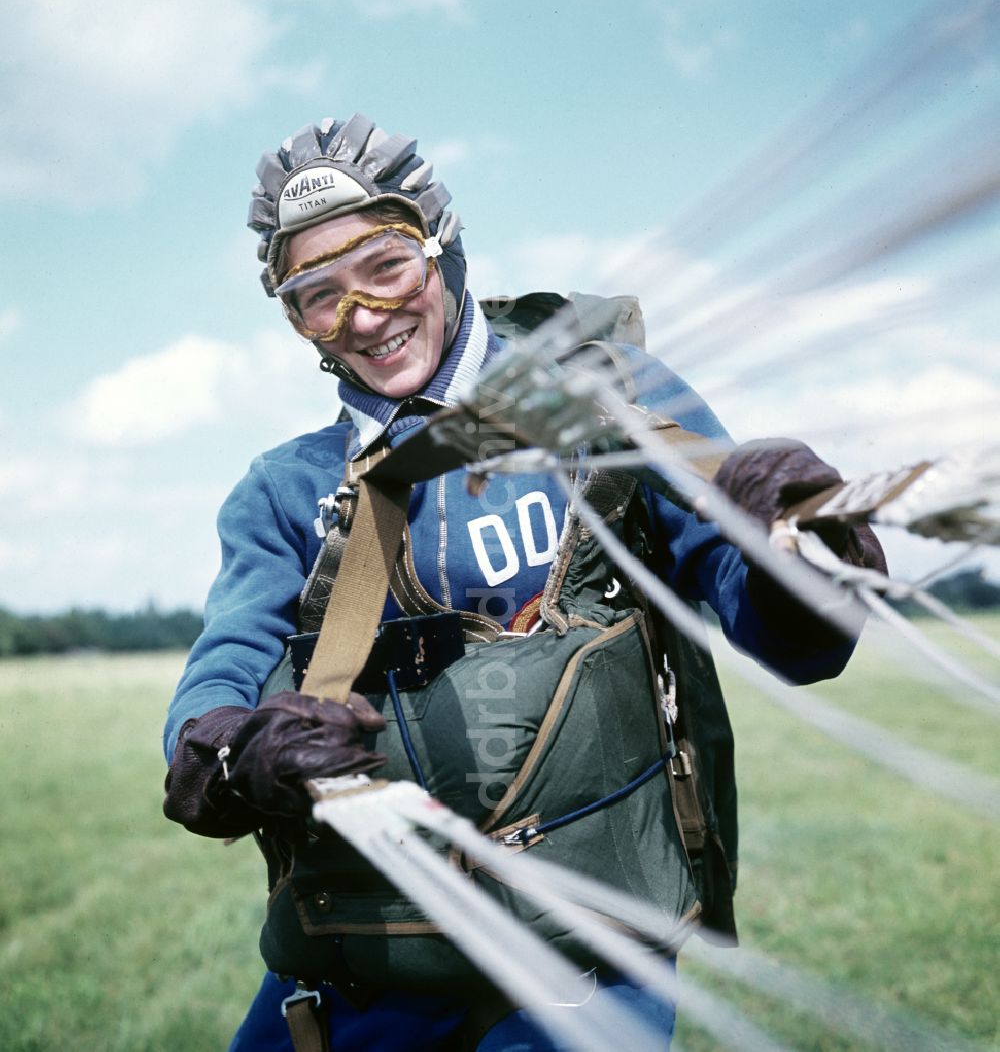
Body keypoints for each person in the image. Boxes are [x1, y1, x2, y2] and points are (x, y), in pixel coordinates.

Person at [162, 113, 885, 1051]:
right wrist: (226, 749)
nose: (363, 318)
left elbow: (780, 633)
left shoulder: (610, 404)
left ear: (444, 249)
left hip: (582, 973)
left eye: (384, 265)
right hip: (358, 969)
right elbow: (223, 668)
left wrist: (800, 559)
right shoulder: (286, 490)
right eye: (317, 296)